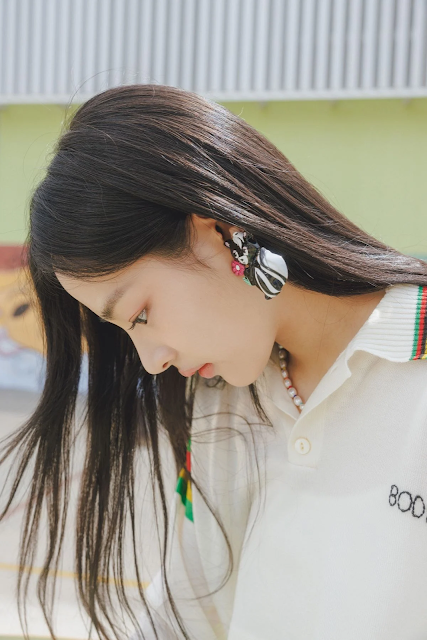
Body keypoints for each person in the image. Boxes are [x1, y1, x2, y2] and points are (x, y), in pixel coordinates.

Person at [1, 83, 427, 640]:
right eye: (125, 333)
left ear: (220, 231)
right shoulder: (224, 403)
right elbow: (187, 615)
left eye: (141, 314)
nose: (151, 362)